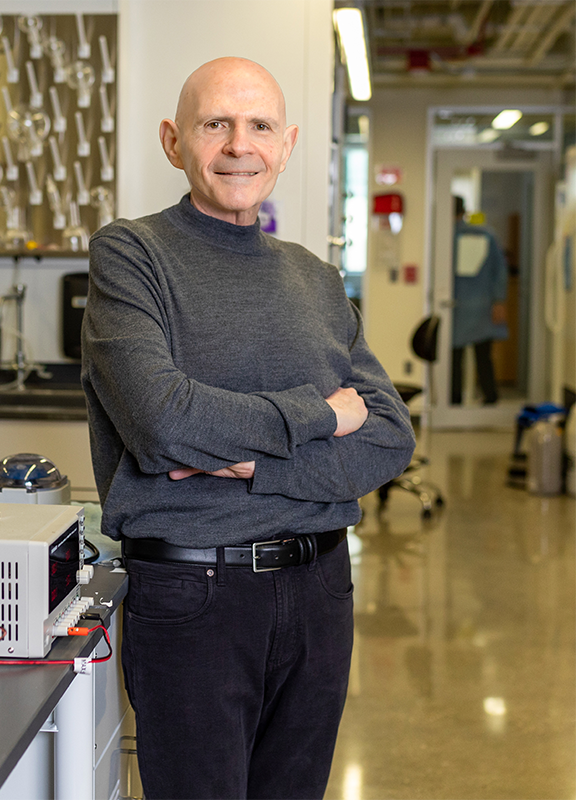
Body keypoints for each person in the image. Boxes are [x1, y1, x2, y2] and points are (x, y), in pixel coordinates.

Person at [81, 57, 416, 799]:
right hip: (194, 592)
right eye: (215, 124)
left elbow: (391, 433)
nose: (240, 144)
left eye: (260, 125)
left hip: (321, 590)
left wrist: (250, 465)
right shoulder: (131, 255)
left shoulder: (317, 279)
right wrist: (322, 414)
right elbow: (163, 421)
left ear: (287, 143)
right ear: (174, 141)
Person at [451, 195, 508, 405]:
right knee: (483, 357)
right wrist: (499, 301)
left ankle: (454, 401)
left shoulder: (445, 237)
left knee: (454, 359)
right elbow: (500, 271)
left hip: (456, 308)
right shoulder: (485, 234)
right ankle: (490, 398)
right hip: (483, 305)